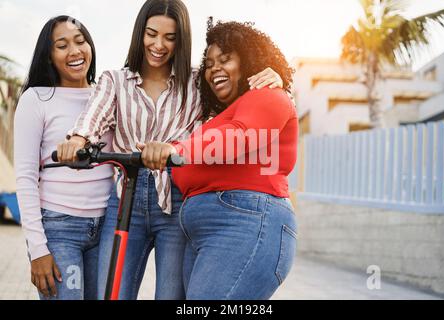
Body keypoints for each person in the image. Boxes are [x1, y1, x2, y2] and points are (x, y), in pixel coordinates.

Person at [58, 0, 283, 300]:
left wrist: (275, 76)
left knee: (172, 297)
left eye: (170, 37)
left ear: (181, 41)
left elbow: (235, 105)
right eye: (151, 34)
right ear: (140, 34)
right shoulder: (115, 81)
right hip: (125, 200)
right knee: (110, 293)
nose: (158, 45)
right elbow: (91, 120)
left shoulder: (195, 82)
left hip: (177, 204)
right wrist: (77, 142)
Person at [138, 19, 298, 299]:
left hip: (245, 225)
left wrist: (175, 151)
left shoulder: (269, 96)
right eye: (209, 64)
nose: (214, 70)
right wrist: (173, 148)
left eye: (225, 60)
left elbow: (238, 137)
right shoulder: (220, 117)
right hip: (206, 234)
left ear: (249, 62)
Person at [14, 15, 114, 300]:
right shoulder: (36, 99)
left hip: (106, 227)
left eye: (80, 41)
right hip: (59, 228)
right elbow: (26, 177)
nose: (74, 51)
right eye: (62, 45)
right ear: (49, 56)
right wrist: (37, 249)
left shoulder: (106, 97)